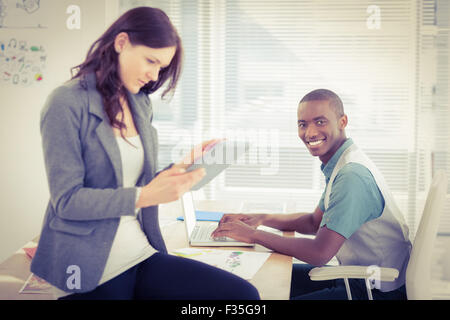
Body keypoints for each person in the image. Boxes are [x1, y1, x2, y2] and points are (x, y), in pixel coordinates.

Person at [30, 7, 259, 300]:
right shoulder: (66, 102)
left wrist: (183, 167)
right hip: (88, 268)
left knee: (243, 296)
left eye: (161, 66)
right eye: (151, 60)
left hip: (139, 252)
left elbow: (139, 182)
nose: (154, 75)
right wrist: (145, 196)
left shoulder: (138, 102)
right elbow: (67, 201)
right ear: (121, 42)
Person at [212, 89, 412, 300]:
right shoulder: (342, 163)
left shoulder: (351, 176)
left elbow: (319, 253)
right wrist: (260, 219)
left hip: (376, 292)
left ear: (342, 121)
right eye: (302, 124)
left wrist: (252, 235)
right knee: (259, 278)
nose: (309, 133)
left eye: (320, 122)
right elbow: (313, 222)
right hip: (357, 277)